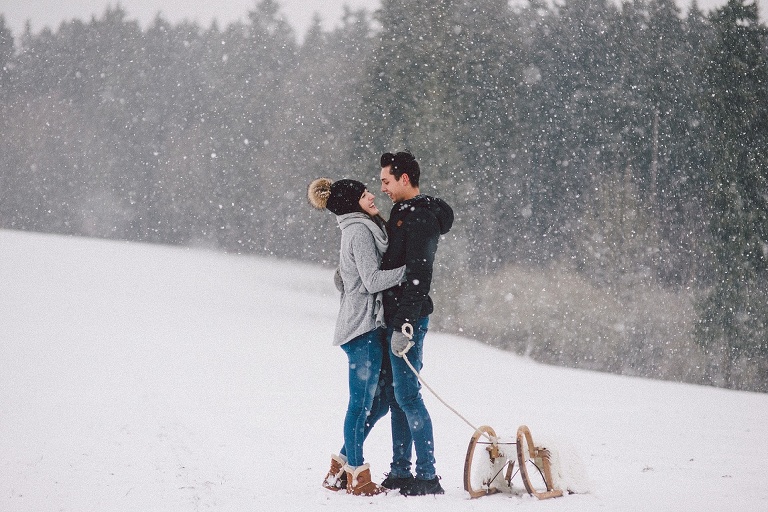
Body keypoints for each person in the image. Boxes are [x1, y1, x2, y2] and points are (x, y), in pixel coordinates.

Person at [308, 177, 405, 496]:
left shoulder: (361, 227)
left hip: (366, 325)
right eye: (365, 195)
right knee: (362, 403)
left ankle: (341, 468)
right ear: (353, 203)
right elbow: (373, 279)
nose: (372, 196)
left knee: (376, 404)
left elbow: (343, 278)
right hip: (360, 329)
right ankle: (358, 478)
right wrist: (412, 272)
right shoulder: (360, 231)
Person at [377, 151, 454, 496]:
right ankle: (400, 470)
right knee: (398, 397)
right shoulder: (402, 212)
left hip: (409, 319)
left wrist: (405, 324)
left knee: (408, 395)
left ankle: (426, 475)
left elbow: (419, 274)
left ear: (404, 178)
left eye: (387, 182)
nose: (384, 189)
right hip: (396, 315)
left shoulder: (420, 217)